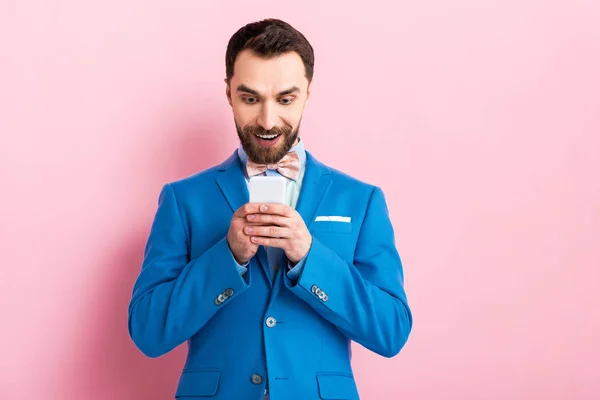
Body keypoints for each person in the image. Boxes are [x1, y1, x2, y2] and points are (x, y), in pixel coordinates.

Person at [127, 18, 412, 400]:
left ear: (307, 93)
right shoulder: (183, 199)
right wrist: (226, 257)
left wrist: (309, 257)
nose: (266, 120)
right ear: (228, 93)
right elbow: (148, 331)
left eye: (285, 99)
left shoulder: (361, 200)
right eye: (250, 98)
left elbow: (391, 331)